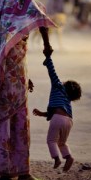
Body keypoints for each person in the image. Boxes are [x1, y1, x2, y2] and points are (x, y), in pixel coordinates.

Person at [0, 0, 56, 180]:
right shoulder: (22, 4)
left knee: (1, 117)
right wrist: (46, 46)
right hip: (16, 74)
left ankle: (4, 171)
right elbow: (41, 17)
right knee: (19, 118)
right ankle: (23, 173)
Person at [32, 37, 81, 172]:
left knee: (51, 141)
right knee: (62, 142)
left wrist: (48, 59)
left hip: (57, 119)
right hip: (69, 121)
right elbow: (57, 112)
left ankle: (57, 159)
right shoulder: (67, 101)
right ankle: (69, 157)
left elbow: (52, 72)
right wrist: (42, 113)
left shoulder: (58, 86)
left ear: (65, 84)